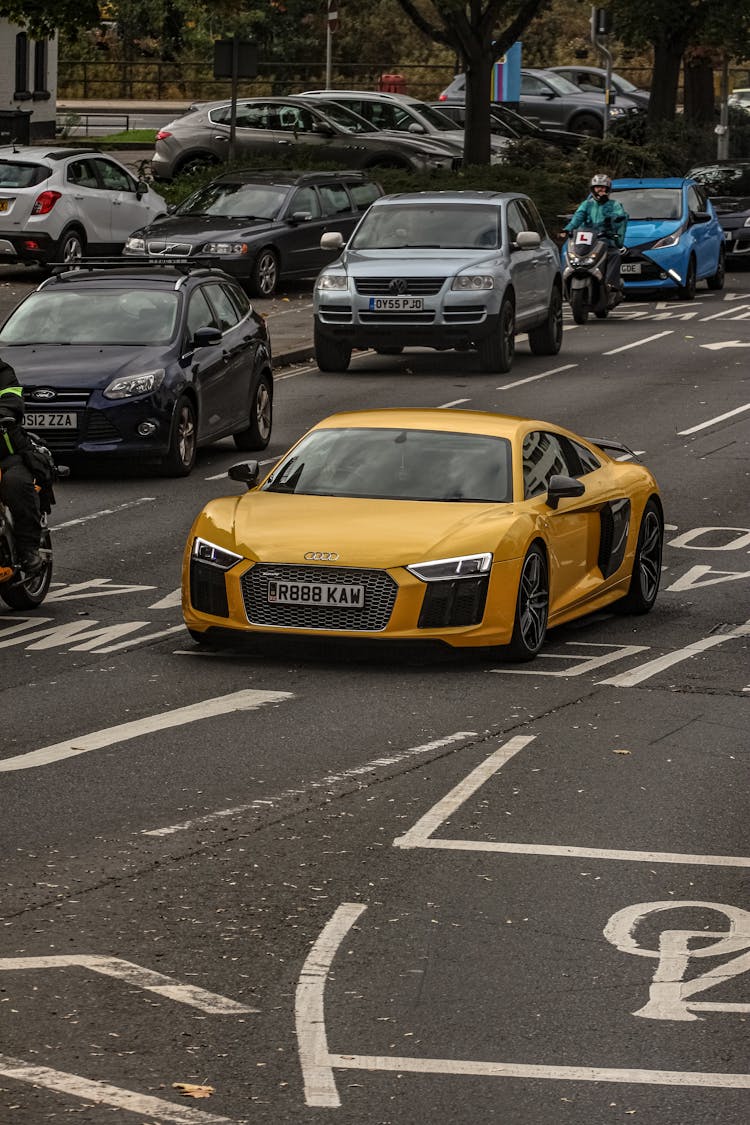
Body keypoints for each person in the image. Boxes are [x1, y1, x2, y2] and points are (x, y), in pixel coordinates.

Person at [0, 355, 43, 574]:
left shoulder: (3, 372)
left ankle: (28, 549)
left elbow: (11, 396)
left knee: (15, 484)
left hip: (6, 452)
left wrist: (6, 412)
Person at [564, 173, 628, 294]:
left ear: (608, 190)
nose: (600, 190)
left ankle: (611, 284)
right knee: (572, 254)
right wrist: (568, 228)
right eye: (597, 187)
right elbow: (578, 216)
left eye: (603, 187)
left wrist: (611, 217)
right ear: (592, 189)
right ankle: (567, 282)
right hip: (587, 239)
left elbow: (620, 216)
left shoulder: (614, 204)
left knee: (614, 254)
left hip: (606, 238)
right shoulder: (586, 204)